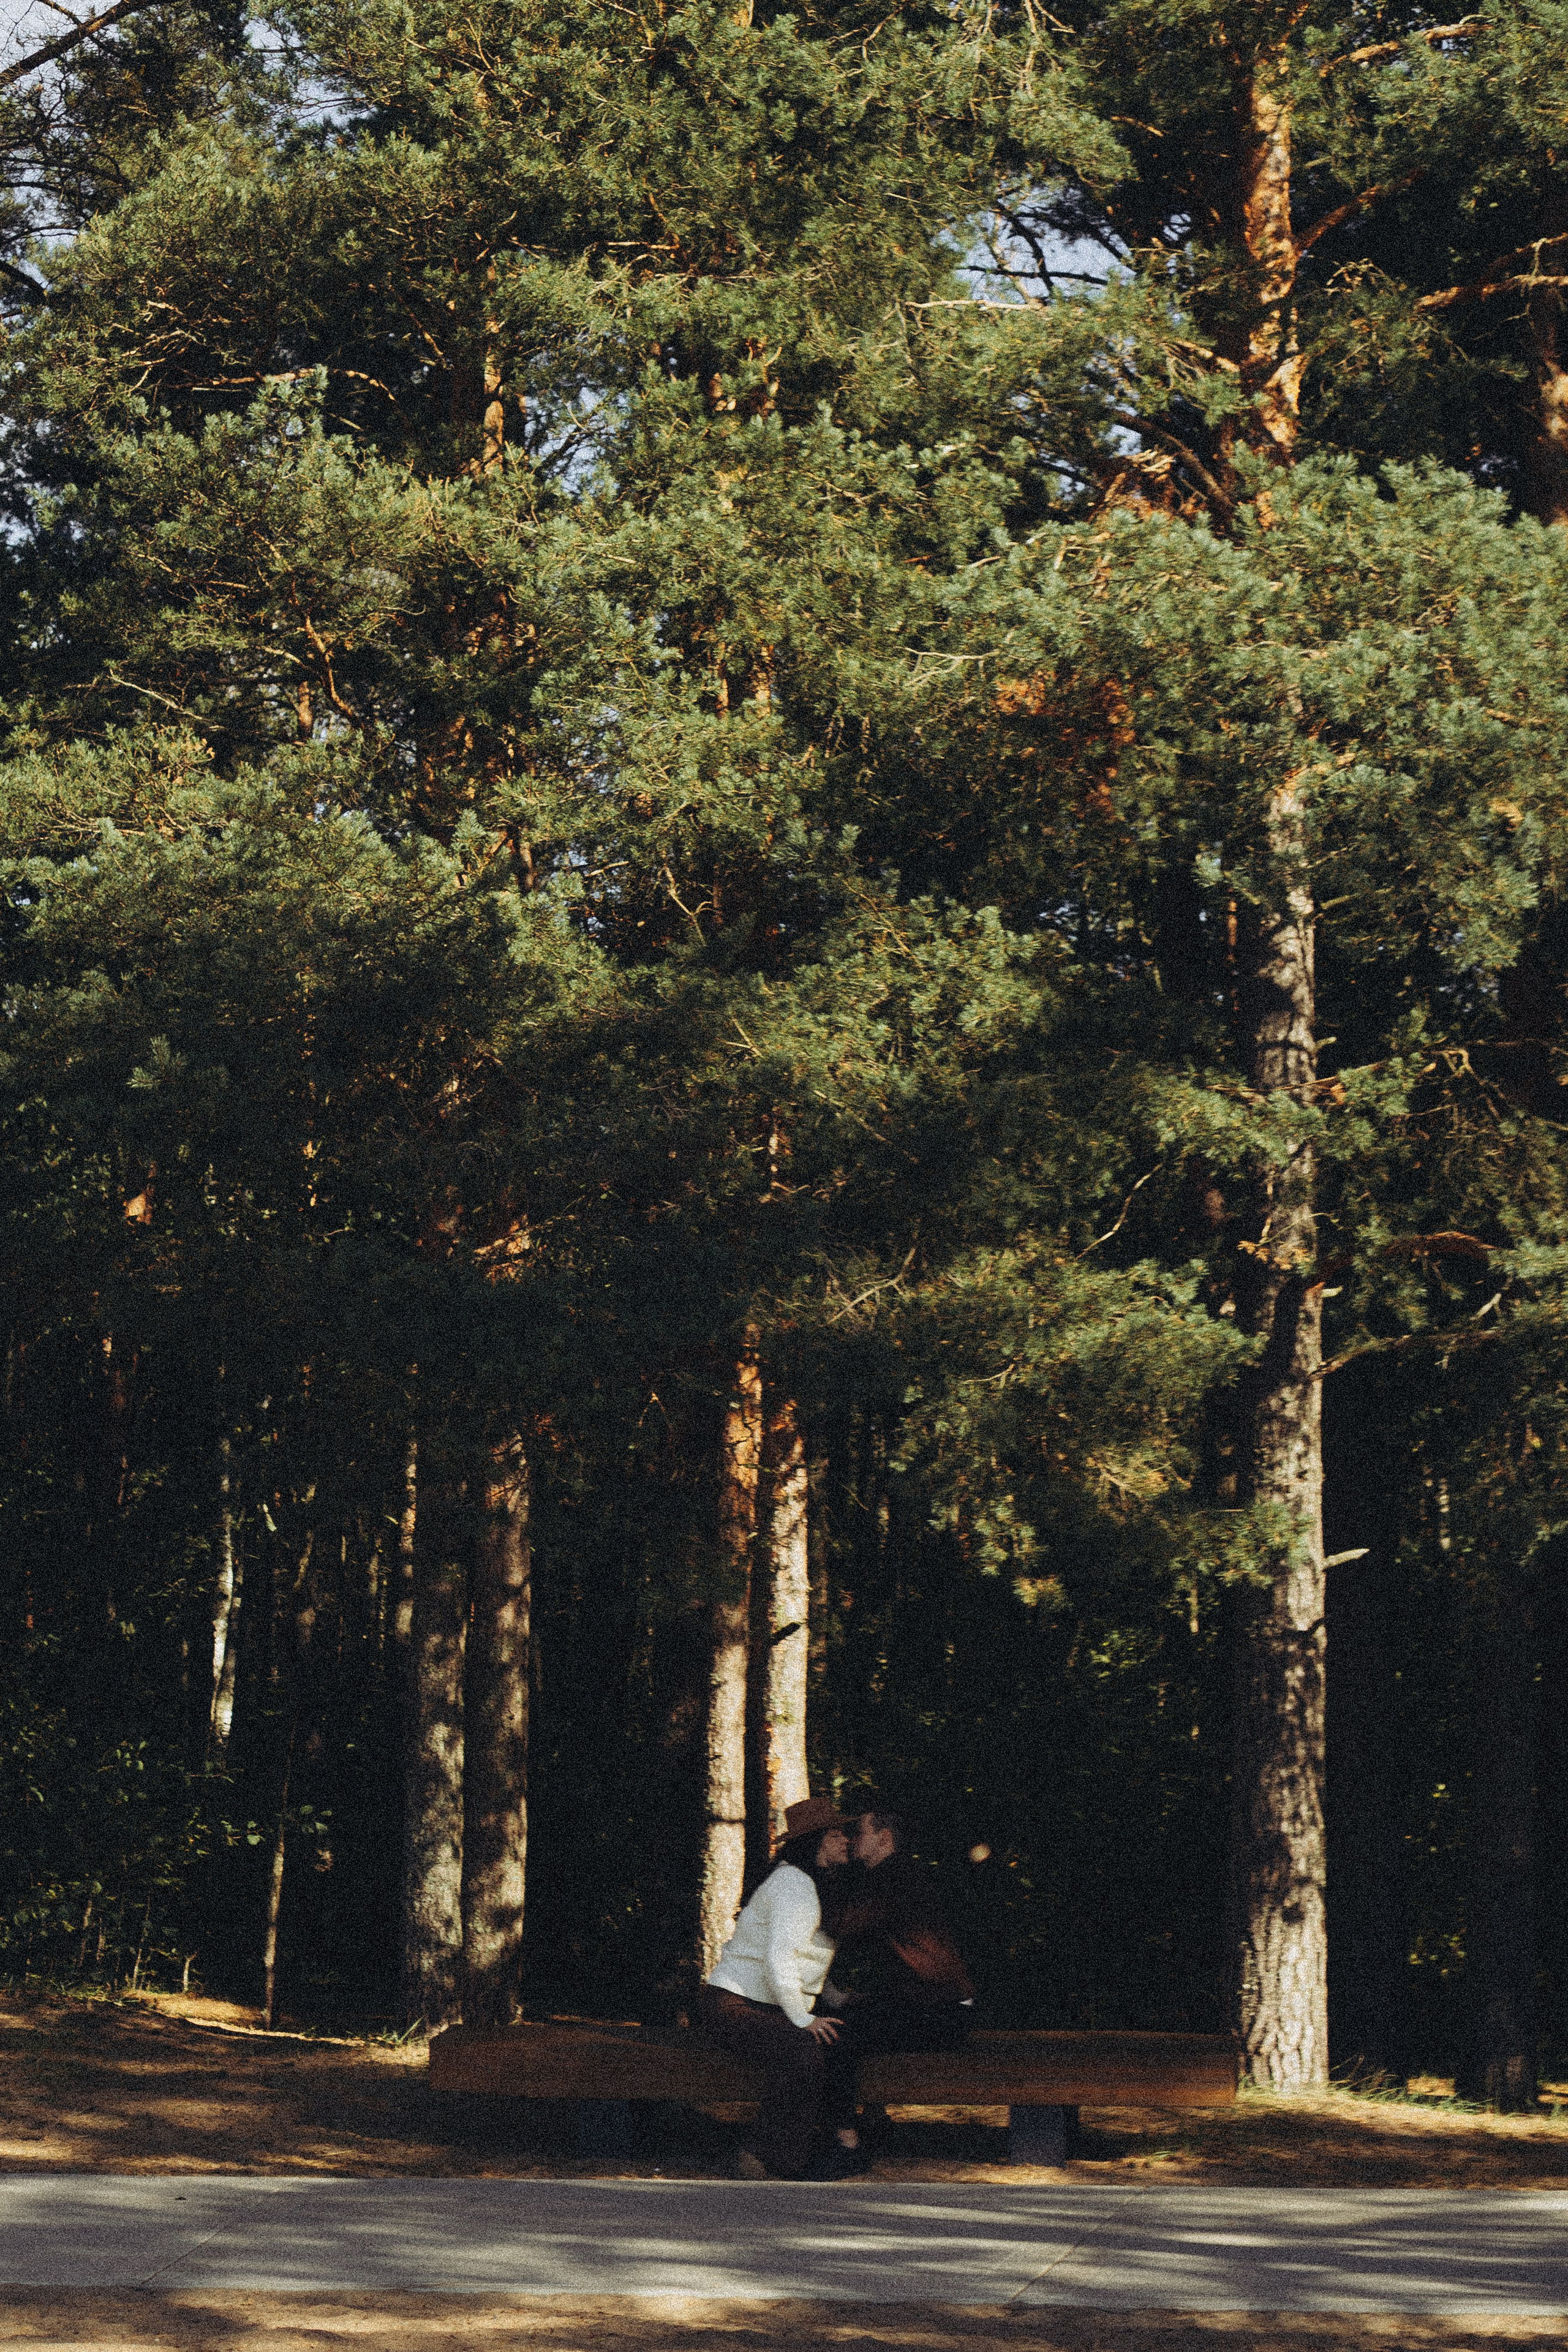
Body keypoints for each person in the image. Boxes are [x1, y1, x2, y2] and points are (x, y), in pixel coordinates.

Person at [698, 1793, 850, 2179]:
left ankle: (792, 2154)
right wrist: (803, 2019)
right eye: (836, 1835)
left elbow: (802, 1958)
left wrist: (832, 1998)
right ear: (818, 1842)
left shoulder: (805, 1883)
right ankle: (766, 2158)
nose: (845, 1840)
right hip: (733, 2004)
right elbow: (778, 1958)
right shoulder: (794, 1885)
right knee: (804, 2050)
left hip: (755, 2004)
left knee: (821, 2048)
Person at [818, 1807, 974, 2168]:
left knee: (834, 2036)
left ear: (884, 1838)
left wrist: (818, 1870)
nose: (854, 1839)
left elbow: (838, 1922)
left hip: (942, 2015)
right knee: (845, 2016)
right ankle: (873, 2121)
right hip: (938, 2007)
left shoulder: (893, 1881)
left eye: (861, 1831)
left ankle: (847, 2144)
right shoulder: (894, 1877)